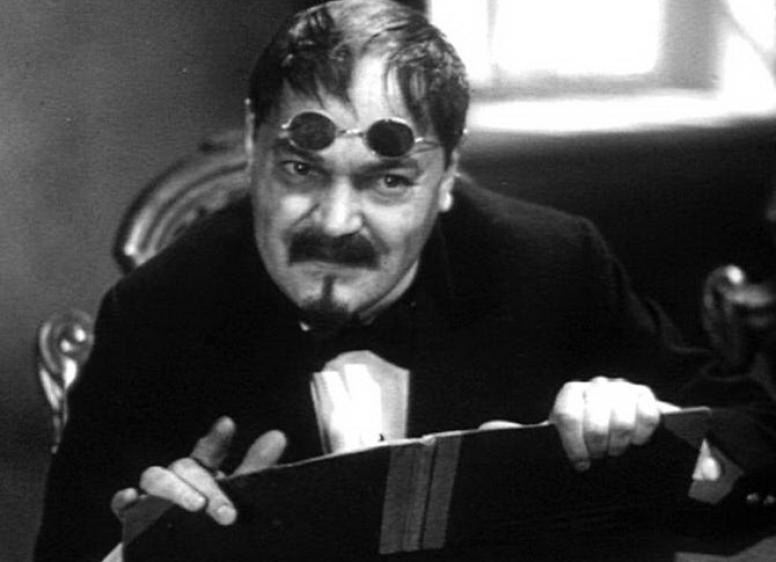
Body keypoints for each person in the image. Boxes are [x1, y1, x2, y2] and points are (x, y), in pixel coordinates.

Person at [35, 1, 776, 561]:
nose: (334, 222)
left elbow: (756, 450)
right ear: (255, 144)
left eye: (388, 181)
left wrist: (658, 437)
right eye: (301, 170)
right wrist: (147, 547)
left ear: (448, 177)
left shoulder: (551, 265)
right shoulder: (155, 315)